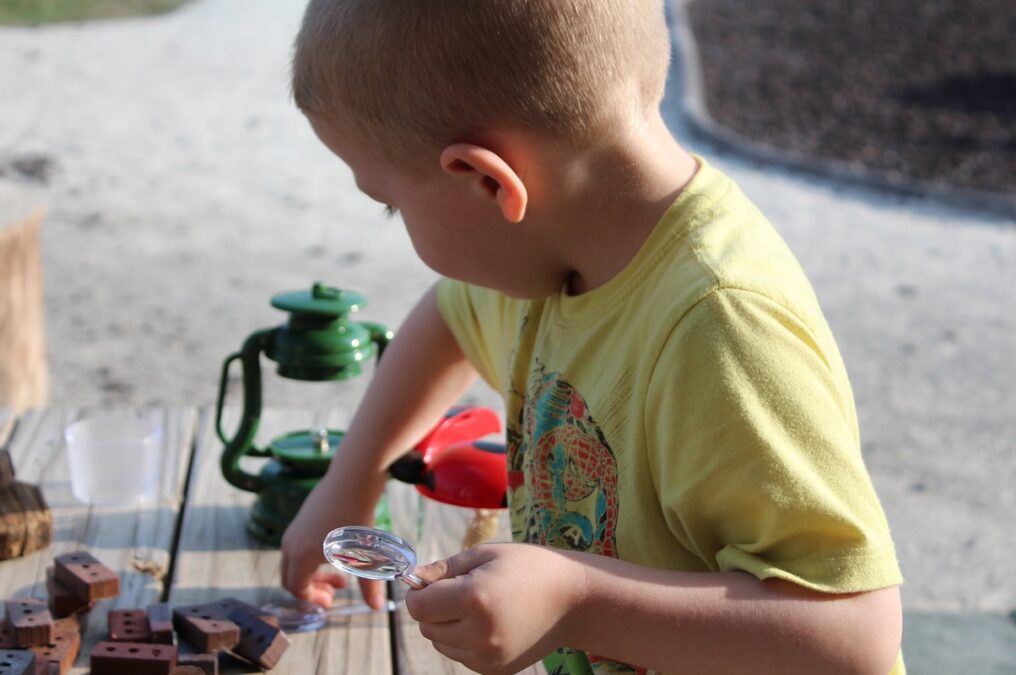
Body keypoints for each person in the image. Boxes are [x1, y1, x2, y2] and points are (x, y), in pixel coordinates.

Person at [278, 1, 904, 673]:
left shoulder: (720, 329)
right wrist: (350, 482)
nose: (396, 220)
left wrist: (580, 603)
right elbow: (449, 318)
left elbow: (853, 634)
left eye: (391, 202)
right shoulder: (552, 251)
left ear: (487, 180)